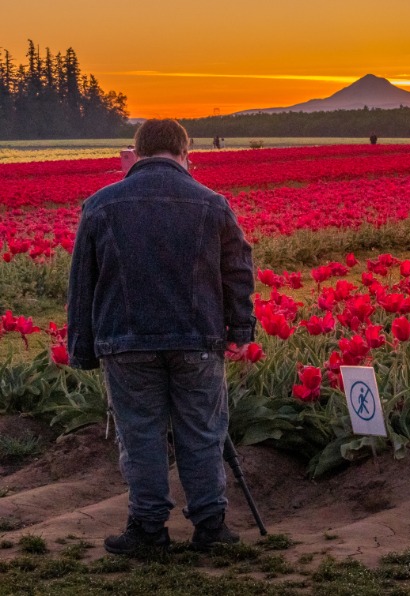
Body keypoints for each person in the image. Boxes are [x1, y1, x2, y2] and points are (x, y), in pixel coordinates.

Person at [67, 119, 256, 555]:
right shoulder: (212, 203)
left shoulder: (100, 205)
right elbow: (239, 270)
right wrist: (240, 328)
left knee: (141, 436)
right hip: (197, 341)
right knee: (204, 432)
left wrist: (82, 348)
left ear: (137, 150)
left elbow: (81, 284)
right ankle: (211, 527)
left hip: (126, 342)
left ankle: (149, 529)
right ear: (183, 151)